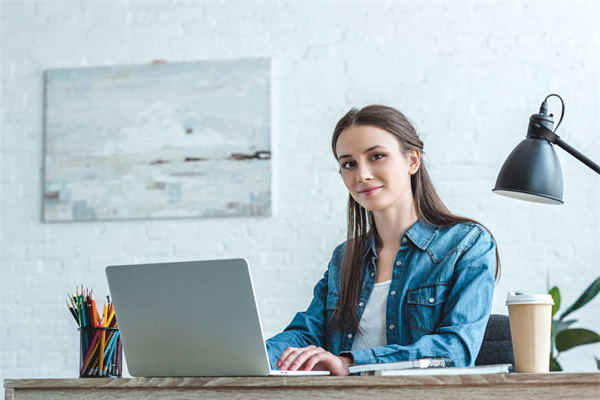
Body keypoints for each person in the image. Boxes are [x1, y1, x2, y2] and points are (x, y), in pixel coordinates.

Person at [266, 105, 500, 376]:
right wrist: (252, 357)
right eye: (349, 164)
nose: (362, 175)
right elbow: (306, 334)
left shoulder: (467, 244)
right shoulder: (344, 258)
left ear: (412, 161)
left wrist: (350, 363)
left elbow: (455, 350)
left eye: (376, 156)